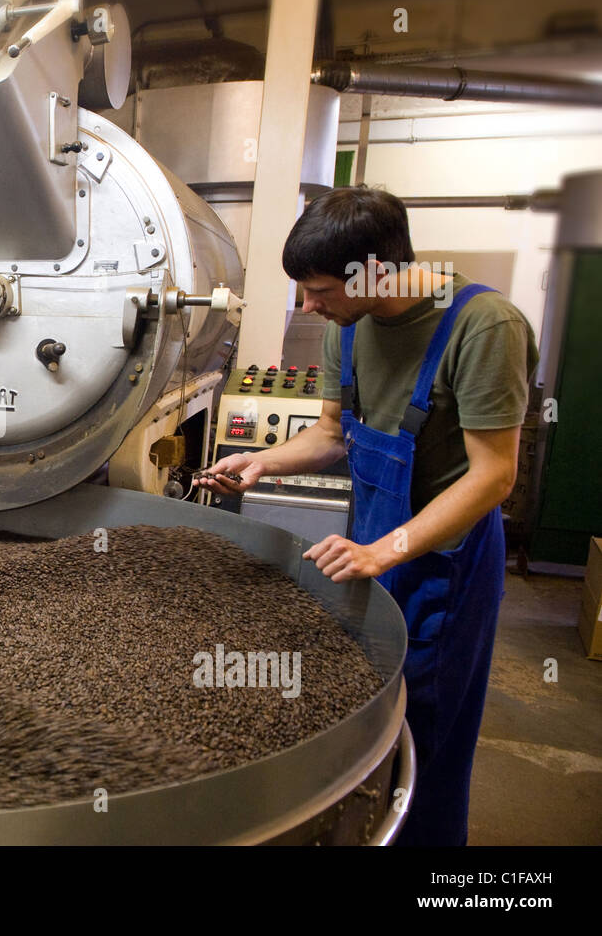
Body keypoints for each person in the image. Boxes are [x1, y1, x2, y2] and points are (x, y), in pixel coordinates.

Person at [195, 186, 538, 846]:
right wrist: (262, 461)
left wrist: (386, 551)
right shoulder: (347, 330)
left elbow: (495, 475)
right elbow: (329, 433)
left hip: (447, 565)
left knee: (427, 728)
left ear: (374, 271)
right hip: (375, 549)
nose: (309, 306)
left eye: (319, 290)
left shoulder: (482, 325)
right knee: (372, 713)